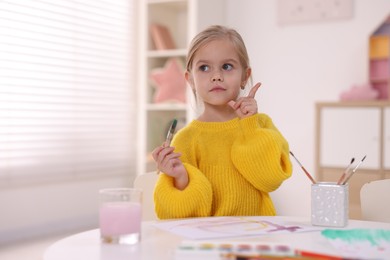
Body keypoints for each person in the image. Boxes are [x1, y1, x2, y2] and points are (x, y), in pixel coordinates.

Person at [152, 25, 292, 219]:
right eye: (204, 67)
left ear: (245, 76)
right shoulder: (185, 139)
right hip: (209, 243)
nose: (216, 76)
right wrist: (181, 178)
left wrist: (249, 127)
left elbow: (270, 180)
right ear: (190, 79)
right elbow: (176, 217)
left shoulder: (261, 124)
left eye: (227, 66)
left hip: (258, 237)